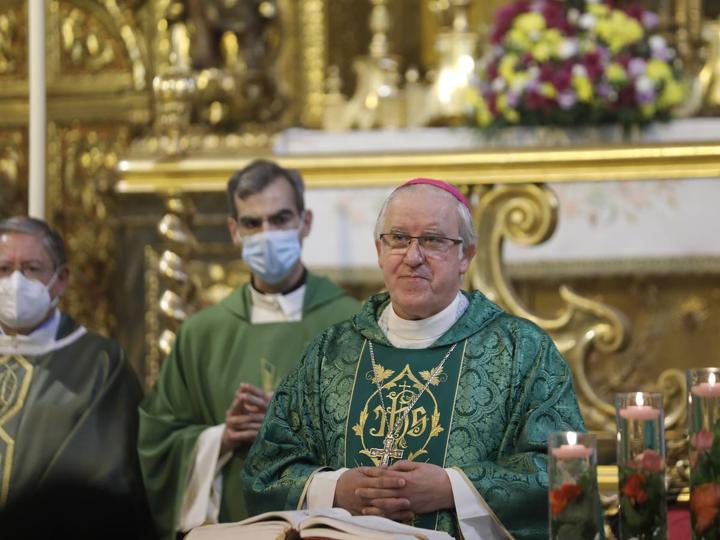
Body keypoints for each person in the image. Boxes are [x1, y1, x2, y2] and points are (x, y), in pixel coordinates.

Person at [241, 178, 587, 540]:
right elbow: (266, 470)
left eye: (434, 240)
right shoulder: (331, 351)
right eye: (399, 238)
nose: (413, 256)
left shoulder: (522, 350)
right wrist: (337, 489)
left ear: (465, 255)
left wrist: (452, 488)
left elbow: (566, 470)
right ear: (379, 250)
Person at [138, 159, 361, 539]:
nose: (267, 233)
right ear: (233, 231)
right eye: (252, 223)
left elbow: (379, 433)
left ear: (305, 223)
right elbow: (158, 443)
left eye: (280, 219)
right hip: (230, 525)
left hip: (324, 528)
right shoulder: (202, 333)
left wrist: (293, 423)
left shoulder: (351, 324)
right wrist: (223, 436)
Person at [0, 217, 147, 513]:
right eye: (3, 269)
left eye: (31, 269)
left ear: (61, 279)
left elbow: (107, 472)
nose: (15, 282)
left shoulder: (100, 363)